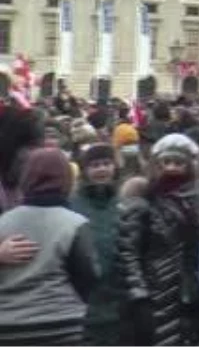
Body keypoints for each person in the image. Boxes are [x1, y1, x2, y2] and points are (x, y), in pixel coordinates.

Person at [115, 133, 199, 347]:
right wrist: (138, 294)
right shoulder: (143, 201)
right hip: (154, 292)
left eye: (178, 163)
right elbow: (129, 252)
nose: (172, 168)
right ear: (156, 166)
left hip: (189, 293)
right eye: (167, 162)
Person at [0, 147, 98, 345]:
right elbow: (89, 275)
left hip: (9, 327)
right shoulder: (75, 224)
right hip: (63, 325)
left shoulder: (4, 222)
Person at [70, 143, 124, 347]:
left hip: (120, 298)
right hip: (87, 300)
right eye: (94, 165)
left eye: (106, 163)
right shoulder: (74, 203)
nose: (101, 169)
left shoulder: (124, 200)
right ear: (85, 170)